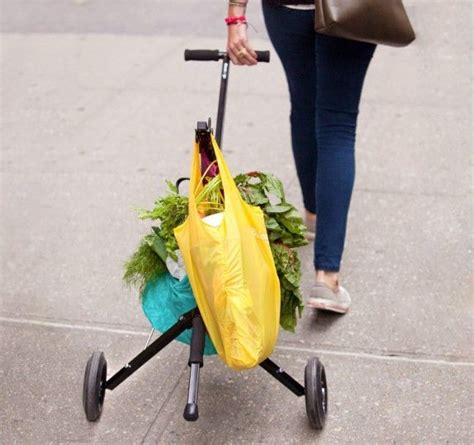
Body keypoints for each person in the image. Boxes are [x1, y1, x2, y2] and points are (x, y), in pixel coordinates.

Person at [226, 0, 376, 313]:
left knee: (306, 108)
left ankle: (314, 216)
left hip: (288, 8)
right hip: (352, 7)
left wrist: (236, 14)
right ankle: (327, 277)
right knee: (337, 124)